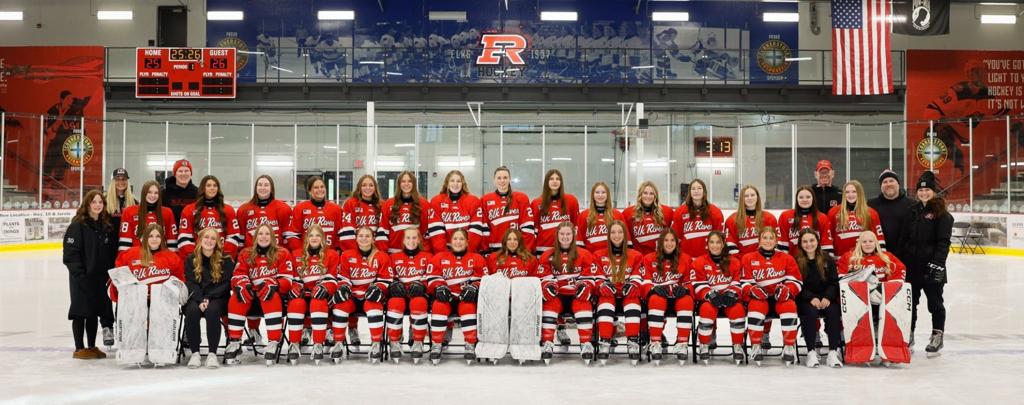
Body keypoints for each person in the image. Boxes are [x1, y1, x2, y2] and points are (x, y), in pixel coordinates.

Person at [110, 223, 186, 367]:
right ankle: (131, 353)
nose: (154, 239)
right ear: (144, 237)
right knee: (133, 309)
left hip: (161, 301)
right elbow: (118, 279)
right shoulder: (128, 255)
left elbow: (179, 282)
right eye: (151, 236)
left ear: (162, 239)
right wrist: (119, 297)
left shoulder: (172, 258)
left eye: (158, 236)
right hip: (136, 300)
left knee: (161, 308)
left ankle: (161, 353)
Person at [899, 171, 953, 356]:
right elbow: (903, 238)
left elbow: (943, 242)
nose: (923, 193)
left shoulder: (942, 214)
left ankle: (937, 336)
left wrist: (937, 263)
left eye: (927, 190)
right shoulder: (912, 211)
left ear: (934, 191)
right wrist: (899, 260)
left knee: (935, 304)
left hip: (932, 267)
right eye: (920, 190)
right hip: (912, 266)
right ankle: (909, 335)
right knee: (910, 304)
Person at [225, 223, 294, 366]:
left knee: (270, 295)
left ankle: (273, 342)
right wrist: (243, 284)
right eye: (260, 234)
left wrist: (274, 284)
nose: (264, 237)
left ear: (273, 237)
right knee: (236, 297)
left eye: (267, 234)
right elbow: (237, 275)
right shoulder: (245, 253)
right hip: (251, 299)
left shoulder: (283, 253)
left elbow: (287, 280)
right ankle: (235, 341)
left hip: (273, 300)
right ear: (255, 237)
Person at [63, 190, 118, 359]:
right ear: (87, 204)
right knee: (80, 312)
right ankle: (79, 348)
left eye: (100, 202)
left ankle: (92, 346)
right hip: (82, 278)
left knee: (93, 312)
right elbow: (70, 254)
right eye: (94, 202)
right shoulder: (77, 225)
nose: (97, 205)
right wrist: (80, 275)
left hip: (99, 278)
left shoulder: (105, 226)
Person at [740, 227, 802, 366]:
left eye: (771, 238)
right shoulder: (748, 258)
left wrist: (788, 290)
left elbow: (796, 281)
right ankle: (756, 345)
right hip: (760, 299)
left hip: (778, 299)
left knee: (789, 305)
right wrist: (752, 290)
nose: (768, 241)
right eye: (765, 238)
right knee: (756, 305)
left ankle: (789, 346)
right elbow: (744, 282)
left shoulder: (787, 258)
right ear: (759, 240)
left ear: (776, 241)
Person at [538, 222, 598, 363]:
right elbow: (543, 277)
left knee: (583, 303)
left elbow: (589, 277)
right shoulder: (547, 255)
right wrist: (548, 285)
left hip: (575, 295)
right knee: (550, 303)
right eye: (562, 234)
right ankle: (547, 342)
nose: (565, 237)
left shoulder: (584, 254)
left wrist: (584, 285)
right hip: (557, 296)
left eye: (568, 234)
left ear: (573, 235)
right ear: (557, 235)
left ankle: (586, 343)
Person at [425, 229, 486, 364]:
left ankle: (470, 344)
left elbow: (483, 278)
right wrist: (439, 286)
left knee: (468, 307)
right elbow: (431, 276)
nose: (458, 242)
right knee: (438, 305)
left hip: (465, 297)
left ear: (467, 242)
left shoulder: (476, 258)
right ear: (450, 242)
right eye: (455, 239)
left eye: (461, 239)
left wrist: (474, 287)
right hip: (447, 297)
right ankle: (437, 344)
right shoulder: (439, 257)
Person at [333, 226, 394, 362]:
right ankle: (338, 343)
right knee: (340, 305)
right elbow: (343, 277)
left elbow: (386, 279)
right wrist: (344, 287)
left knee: (374, 306)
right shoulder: (347, 255)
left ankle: (376, 343)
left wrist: (377, 288)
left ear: (373, 239)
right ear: (356, 238)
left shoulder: (381, 256)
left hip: (370, 297)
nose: (364, 238)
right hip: (353, 296)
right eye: (361, 236)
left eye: (367, 236)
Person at [591, 220, 645, 364]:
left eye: (620, 232)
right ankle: (605, 341)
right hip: (609, 296)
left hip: (627, 296)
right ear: (608, 235)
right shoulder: (598, 255)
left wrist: (633, 285)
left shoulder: (636, 255)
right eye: (613, 232)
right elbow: (597, 277)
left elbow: (638, 276)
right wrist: (602, 285)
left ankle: (633, 341)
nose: (617, 235)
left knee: (633, 300)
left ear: (625, 235)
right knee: (605, 300)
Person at [285, 224, 339, 365]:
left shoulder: (331, 254)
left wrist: (325, 288)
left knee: (318, 301)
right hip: (303, 296)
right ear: (306, 238)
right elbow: (293, 278)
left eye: (317, 235)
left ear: (323, 238)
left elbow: (333, 279)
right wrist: (295, 288)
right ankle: (294, 343)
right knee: (295, 303)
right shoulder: (296, 254)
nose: (314, 238)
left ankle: (318, 344)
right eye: (311, 235)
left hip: (321, 297)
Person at [690, 231, 747, 364]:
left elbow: (738, 281)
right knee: (706, 309)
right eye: (712, 242)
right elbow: (696, 283)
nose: (715, 245)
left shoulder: (734, 262)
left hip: (729, 300)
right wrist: (709, 294)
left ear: (723, 244)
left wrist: (731, 293)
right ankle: (704, 344)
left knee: (737, 309)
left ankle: (737, 345)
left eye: (718, 242)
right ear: (707, 244)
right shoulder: (699, 262)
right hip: (709, 301)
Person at [639, 229, 694, 364]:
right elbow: (644, 281)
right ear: (660, 242)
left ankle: (682, 343)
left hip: (677, 299)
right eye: (666, 240)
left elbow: (691, 282)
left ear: (676, 243)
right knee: (655, 299)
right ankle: (655, 342)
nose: (669, 243)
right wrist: (653, 289)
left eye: (672, 240)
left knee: (687, 300)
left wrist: (686, 289)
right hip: (658, 299)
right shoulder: (649, 258)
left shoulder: (686, 259)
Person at [183, 227, 234, 369]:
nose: (209, 241)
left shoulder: (226, 260)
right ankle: (195, 353)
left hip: (218, 298)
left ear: (217, 242)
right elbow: (191, 283)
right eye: (206, 237)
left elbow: (225, 284)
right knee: (192, 311)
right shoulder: (191, 259)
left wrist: (208, 298)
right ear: (200, 239)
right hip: (196, 297)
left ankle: (212, 354)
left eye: (213, 238)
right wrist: (200, 299)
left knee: (212, 310)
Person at [793, 229, 843, 368]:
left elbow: (834, 282)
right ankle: (811, 352)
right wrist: (810, 298)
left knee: (834, 311)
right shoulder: (796, 261)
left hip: (826, 298)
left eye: (812, 240)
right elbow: (796, 283)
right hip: (806, 299)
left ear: (817, 241)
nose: (809, 244)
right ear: (800, 244)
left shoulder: (827, 259)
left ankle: (833, 352)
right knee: (810, 312)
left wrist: (828, 297)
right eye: (805, 241)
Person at [386, 228, 433, 363]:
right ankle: (394, 341)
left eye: (414, 238)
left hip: (418, 295)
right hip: (400, 295)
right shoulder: (393, 258)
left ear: (419, 240)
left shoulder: (428, 257)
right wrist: (393, 284)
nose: (411, 241)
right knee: (395, 302)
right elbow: (388, 277)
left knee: (419, 302)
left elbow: (432, 277)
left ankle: (418, 341)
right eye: (408, 238)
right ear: (403, 240)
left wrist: (423, 285)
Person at [376, 170, 443, 253]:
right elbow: (383, 232)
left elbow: (427, 232)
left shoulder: (424, 204)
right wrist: (383, 253)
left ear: (414, 184)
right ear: (399, 184)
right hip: (394, 253)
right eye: (403, 181)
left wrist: (425, 252)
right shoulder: (388, 204)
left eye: (409, 181)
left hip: (417, 254)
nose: (406, 184)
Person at [177, 175, 243, 259]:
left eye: (215, 186)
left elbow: (234, 236)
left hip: (221, 258)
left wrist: (222, 256)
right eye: (208, 185)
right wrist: (196, 257)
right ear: (202, 188)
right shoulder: (189, 210)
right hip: (197, 259)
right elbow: (184, 237)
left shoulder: (228, 210)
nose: (212, 188)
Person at [430, 170, 487, 252]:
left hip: (467, 250)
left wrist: (467, 251)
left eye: (458, 181)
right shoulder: (436, 201)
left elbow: (476, 230)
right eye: (452, 181)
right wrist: (444, 253)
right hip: (446, 251)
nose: (455, 184)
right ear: (447, 183)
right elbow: (436, 231)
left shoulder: (473, 201)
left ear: (463, 183)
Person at [481, 166, 536, 253]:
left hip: (516, 247)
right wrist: (485, 249)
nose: (502, 181)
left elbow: (527, 226)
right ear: (494, 180)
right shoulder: (485, 199)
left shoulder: (521, 198)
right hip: (494, 248)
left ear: (510, 179)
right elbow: (484, 228)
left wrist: (525, 248)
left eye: (505, 178)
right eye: (499, 178)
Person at [829, 180, 886, 257]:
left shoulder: (871, 213)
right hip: (840, 258)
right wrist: (830, 258)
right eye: (847, 192)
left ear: (860, 193)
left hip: (864, 259)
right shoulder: (833, 212)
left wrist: (880, 257)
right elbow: (829, 238)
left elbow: (879, 239)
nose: (850, 195)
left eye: (854, 192)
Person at [285, 176, 343, 251]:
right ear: (309, 191)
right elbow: (292, 234)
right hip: (306, 254)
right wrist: (301, 252)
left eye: (322, 187)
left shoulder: (336, 209)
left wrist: (336, 250)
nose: (320, 189)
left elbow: (340, 233)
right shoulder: (299, 208)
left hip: (329, 253)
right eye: (316, 187)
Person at [118, 180, 178, 252]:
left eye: (156, 193)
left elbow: (172, 239)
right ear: (144, 193)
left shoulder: (167, 212)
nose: (153, 195)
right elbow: (124, 241)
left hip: (160, 255)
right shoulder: (129, 212)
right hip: (137, 255)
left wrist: (170, 257)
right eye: (149, 192)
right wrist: (126, 257)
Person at [671, 179, 724, 258]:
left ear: (704, 191)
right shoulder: (680, 212)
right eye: (693, 189)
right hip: (686, 258)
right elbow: (676, 237)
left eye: (699, 188)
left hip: (707, 258)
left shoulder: (715, 212)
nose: (696, 191)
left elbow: (719, 238)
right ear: (689, 192)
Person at [532, 169, 579, 255]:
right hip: (542, 249)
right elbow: (534, 229)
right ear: (546, 182)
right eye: (551, 179)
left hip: (565, 248)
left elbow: (575, 225)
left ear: (561, 182)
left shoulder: (571, 200)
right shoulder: (536, 203)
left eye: (557, 179)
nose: (555, 181)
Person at [237, 175, 292, 248]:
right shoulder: (243, 209)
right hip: (251, 252)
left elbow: (287, 237)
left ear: (271, 188)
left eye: (266, 185)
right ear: (256, 188)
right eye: (260, 185)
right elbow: (241, 237)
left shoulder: (283, 208)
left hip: (276, 252)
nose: (262, 188)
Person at [868, 169, 913, 257]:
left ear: (898, 184)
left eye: (891, 181)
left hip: (906, 256)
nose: (888, 184)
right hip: (880, 255)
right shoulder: (871, 205)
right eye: (885, 182)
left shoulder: (911, 204)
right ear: (881, 186)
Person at [778, 186, 834, 256]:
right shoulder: (785, 216)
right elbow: (782, 245)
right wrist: (785, 261)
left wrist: (825, 261)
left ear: (813, 198)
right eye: (801, 197)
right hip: (792, 260)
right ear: (797, 199)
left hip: (815, 261)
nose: (804, 200)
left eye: (808, 197)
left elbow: (826, 245)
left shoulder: (822, 218)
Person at [623, 181, 674, 255]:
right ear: (640, 194)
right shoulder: (628, 213)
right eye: (645, 193)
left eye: (651, 193)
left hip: (660, 257)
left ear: (655, 196)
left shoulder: (667, 212)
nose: (648, 196)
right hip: (639, 258)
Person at [725, 185, 778, 256]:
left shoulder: (769, 218)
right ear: (742, 199)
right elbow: (731, 245)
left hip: (763, 259)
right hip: (741, 260)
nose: (750, 198)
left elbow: (775, 242)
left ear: (757, 197)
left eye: (752, 195)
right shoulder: (732, 220)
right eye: (746, 196)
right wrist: (742, 260)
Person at [576, 182, 626, 252]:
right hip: (591, 256)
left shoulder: (617, 215)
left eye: (603, 192)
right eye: (597, 192)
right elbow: (579, 242)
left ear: (607, 195)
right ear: (593, 195)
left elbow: (625, 240)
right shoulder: (583, 215)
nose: (600, 195)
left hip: (611, 256)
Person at [339, 175, 383, 250]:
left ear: (375, 188)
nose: (367, 188)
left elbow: (383, 233)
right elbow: (347, 231)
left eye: (371, 185)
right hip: (355, 250)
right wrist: (357, 251)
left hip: (375, 250)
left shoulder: (382, 205)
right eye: (364, 185)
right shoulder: (350, 204)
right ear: (359, 187)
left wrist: (376, 251)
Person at [105, 168, 135, 234]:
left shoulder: (134, 202)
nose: (121, 182)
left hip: (127, 239)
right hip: (110, 239)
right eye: (117, 179)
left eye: (123, 179)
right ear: (113, 182)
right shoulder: (105, 200)